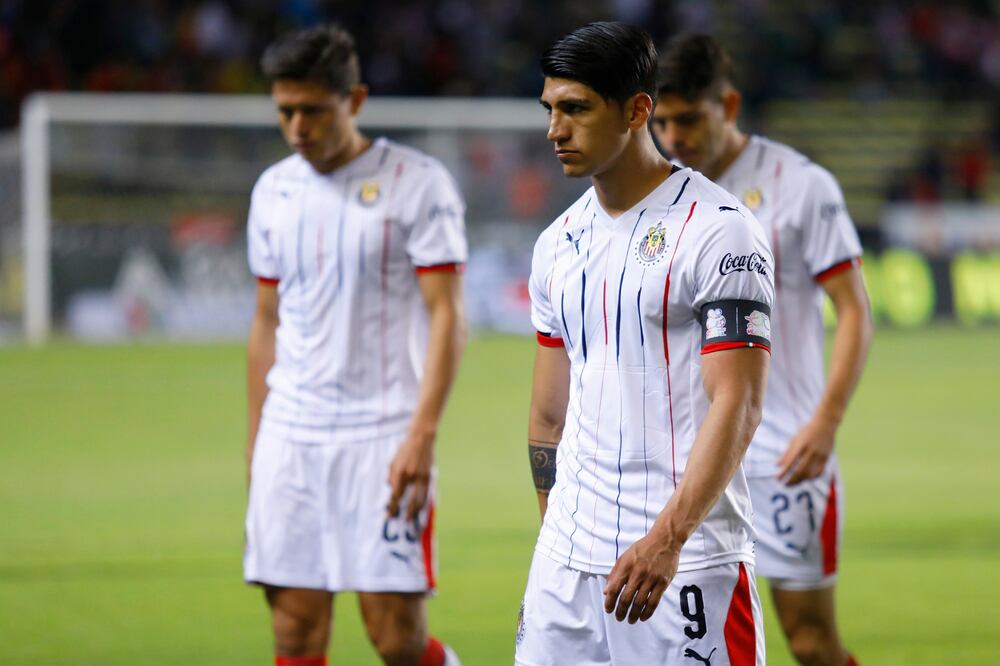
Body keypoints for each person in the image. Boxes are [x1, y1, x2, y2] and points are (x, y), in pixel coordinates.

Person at [517, 22, 774, 665]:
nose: (555, 130)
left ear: (637, 110)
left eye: (575, 109)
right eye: (550, 109)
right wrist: (558, 535)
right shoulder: (556, 244)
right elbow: (550, 414)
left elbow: (737, 405)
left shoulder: (719, 233)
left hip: (687, 564)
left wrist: (667, 539)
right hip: (566, 572)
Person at [243, 24, 465, 666]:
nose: (297, 127)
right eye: (285, 111)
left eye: (313, 110)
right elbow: (265, 323)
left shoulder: (417, 184)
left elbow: (448, 316)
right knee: (294, 633)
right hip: (292, 437)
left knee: (395, 639)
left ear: (355, 100)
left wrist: (422, 435)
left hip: (383, 437)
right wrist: (258, 443)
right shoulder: (273, 192)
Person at [652, 34, 873, 666]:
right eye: (662, 121)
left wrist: (825, 424)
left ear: (730, 104)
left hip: (784, 455)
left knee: (808, 641)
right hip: (692, 460)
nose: (674, 136)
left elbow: (856, 312)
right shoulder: (659, 197)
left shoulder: (801, 186)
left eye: (689, 118)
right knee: (695, 646)